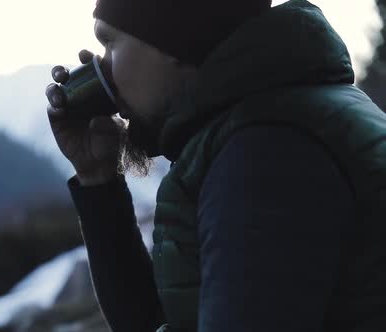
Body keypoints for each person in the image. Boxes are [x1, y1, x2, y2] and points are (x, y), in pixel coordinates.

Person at [45, 0, 386, 331]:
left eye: (110, 43)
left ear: (171, 38)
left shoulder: (265, 158)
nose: (103, 72)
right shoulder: (274, 120)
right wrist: (98, 178)